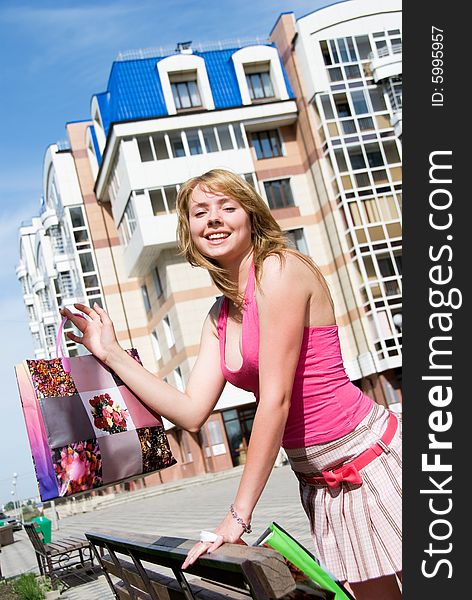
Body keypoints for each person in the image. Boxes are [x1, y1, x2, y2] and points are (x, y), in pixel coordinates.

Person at [61, 169, 402, 599]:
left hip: (370, 460)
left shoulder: (279, 270)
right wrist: (109, 353)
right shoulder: (218, 317)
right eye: (200, 212)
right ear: (190, 232)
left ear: (250, 215)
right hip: (320, 482)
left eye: (227, 206)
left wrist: (237, 517)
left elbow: (275, 401)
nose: (214, 219)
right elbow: (189, 412)